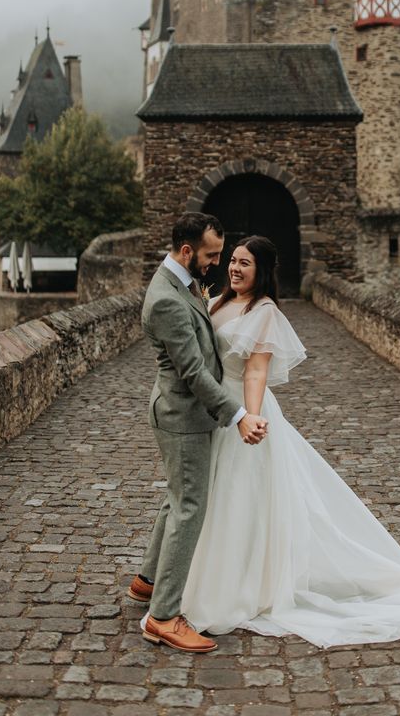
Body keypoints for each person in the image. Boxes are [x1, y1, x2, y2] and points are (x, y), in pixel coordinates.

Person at [150, 235, 400, 650]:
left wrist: (250, 417)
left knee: (239, 501)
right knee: (205, 497)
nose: (234, 268)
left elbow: (255, 371)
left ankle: (233, 586)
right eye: (232, 261)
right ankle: (173, 580)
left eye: (244, 264)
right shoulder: (216, 300)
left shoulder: (265, 312)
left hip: (241, 411)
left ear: (262, 271)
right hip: (217, 411)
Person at [128, 213, 268, 653]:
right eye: (210, 255)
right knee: (190, 507)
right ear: (187, 251)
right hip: (184, 414)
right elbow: (192, 372)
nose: (215, 264)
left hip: (179, 411)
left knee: (176, 499)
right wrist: (239, 414)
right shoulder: (167, 298)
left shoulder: (180, 281)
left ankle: (147, 581)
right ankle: (164, 617)